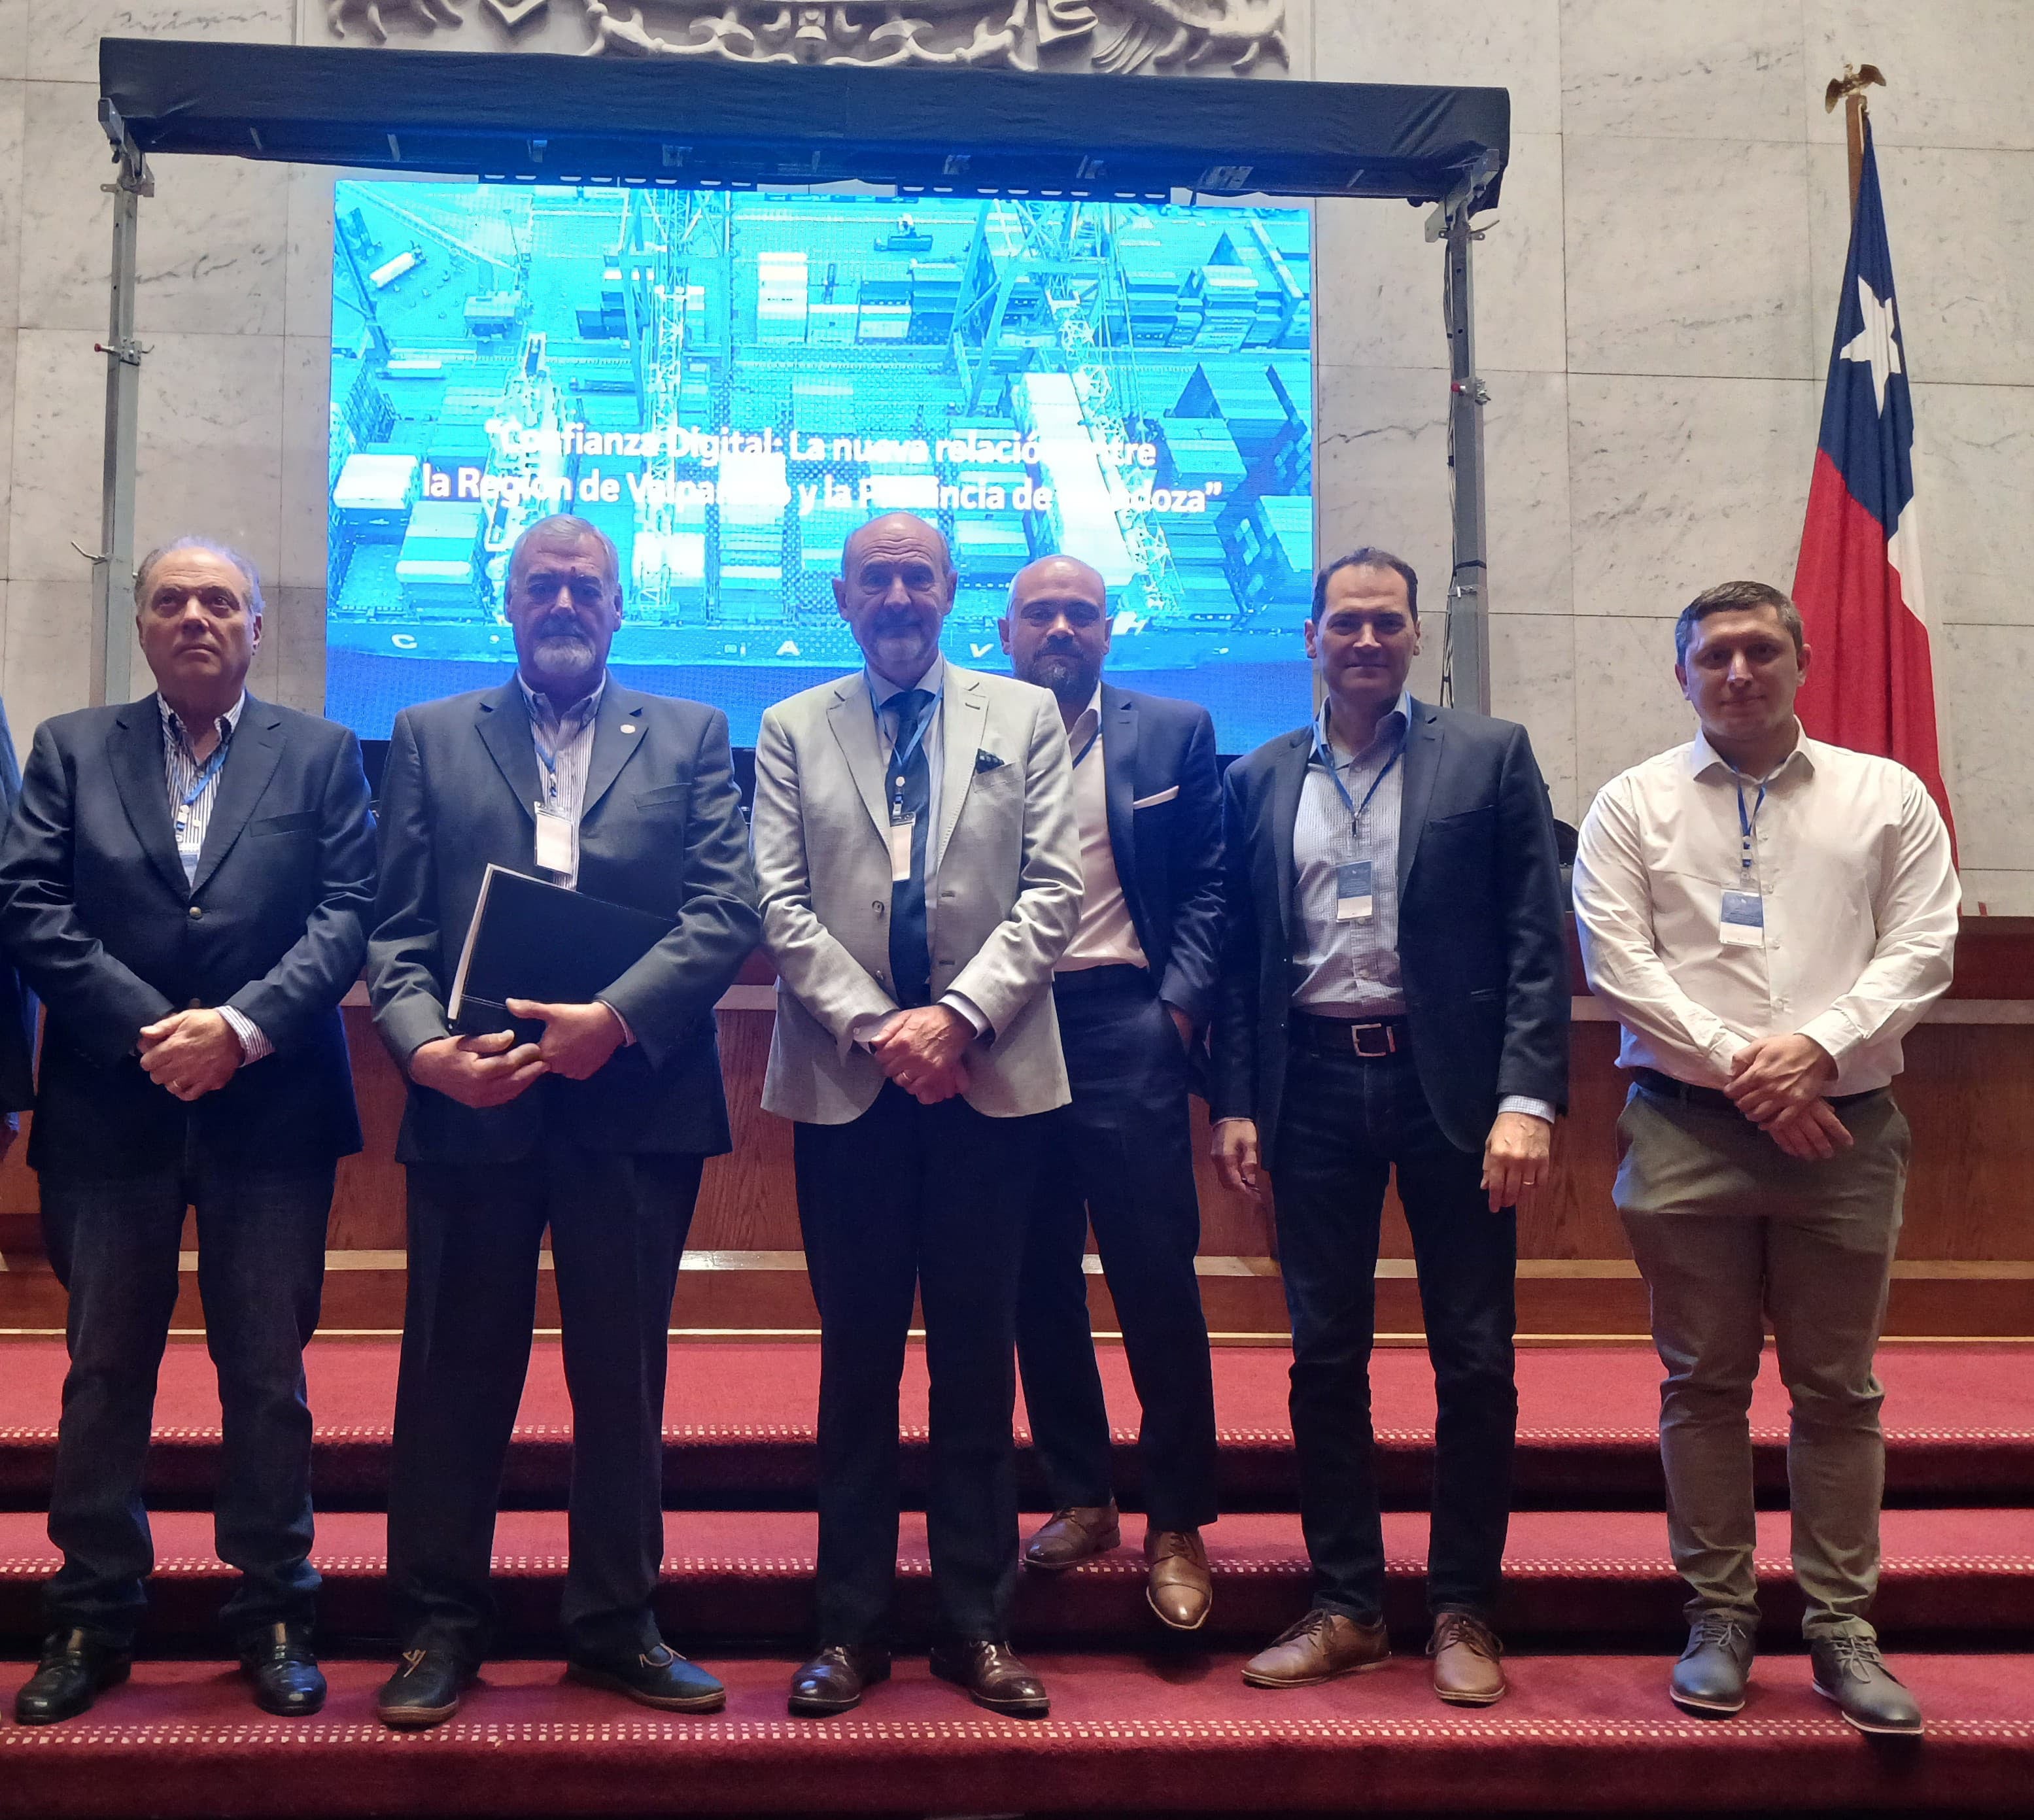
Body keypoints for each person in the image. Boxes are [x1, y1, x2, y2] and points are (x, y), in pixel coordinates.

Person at [366, 514, 760, 1728]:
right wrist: (425, 1048)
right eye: (542, 585)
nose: (563, 603)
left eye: (585, 586)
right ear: (510, 602)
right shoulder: (433, 736)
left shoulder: (690, 734)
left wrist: (615, 1019)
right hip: (475, 1096)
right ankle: (439, 1626)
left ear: (619, 606)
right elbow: (395, 933)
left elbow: (724, 906)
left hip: (631, 1101)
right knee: (451, 1373)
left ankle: (616, 1622)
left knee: (621, 1376)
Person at [0, 539, 376, 1724]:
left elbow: (349, 910)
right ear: (142, 624)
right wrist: (163, 1031)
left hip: (274, 1113)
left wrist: (245, 1030)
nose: (197, 618)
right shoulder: (71, 748)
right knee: (106, 1372)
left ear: (257, 628)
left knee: (266, 1376)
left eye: (222, 601)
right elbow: (28, 904)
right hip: (114, 1108)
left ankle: (273, 1610)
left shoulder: (317, 756)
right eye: (173, 601)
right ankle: (91, 1614)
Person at [1572, 580, 1957, 1736]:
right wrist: (1753, 1062)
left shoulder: (1884, 795)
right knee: (1703, 1384)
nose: (1736, 672)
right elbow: (1618, 959)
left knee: (1838, 1390)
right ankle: (1719, 1616)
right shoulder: (1631, 803)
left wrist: (1817, 1048)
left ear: (1802, 662)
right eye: (1714, 656)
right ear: (1679, 675)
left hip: (1843, 1132)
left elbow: (1924, 941)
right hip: (1686, 1127)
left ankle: (1841, 1625)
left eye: (1758, 651)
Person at [1210, 548, 1567, 1707]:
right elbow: (1241, 961)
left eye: (1386, 623)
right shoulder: (1258, 774)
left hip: (1450, 1091)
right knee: (1324, 1356)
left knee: (1473, 1356)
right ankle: (1349, 1605)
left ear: (1417, 638)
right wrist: (1233, 1102)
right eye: (1344, 623)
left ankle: (1463, 1606)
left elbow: (1530, 937)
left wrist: (1525, 1098)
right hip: (1309, 1085)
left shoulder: (1487, 754)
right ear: (1308, 637)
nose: (1365, 641)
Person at [752, 512, 1081, 1719]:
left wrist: (955, 1019)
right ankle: (849, 1630)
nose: (898, 595)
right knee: (855, 1366)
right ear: (842, 597)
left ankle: (974, 1626)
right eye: (875, 578)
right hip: (850, 1088)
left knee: (975, 1365)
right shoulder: (793, 726)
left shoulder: (1023, 716)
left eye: (918, 577)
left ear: (951, 592)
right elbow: (777, 903)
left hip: (986, 1081)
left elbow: (1054, 891)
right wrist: (880, 1028)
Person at [999, 555, 1224, 1630]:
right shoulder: (974, 727)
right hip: (1004, 1024)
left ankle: (1175, 1521)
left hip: (1124, 1021)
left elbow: (1213, 886)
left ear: (1107, 630)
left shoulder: (1171, 729)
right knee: (1031, 1275)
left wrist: (1173, 1013)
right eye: (1039, 613)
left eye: (1078, 614)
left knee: (1152, 1276)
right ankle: (1080, 1494)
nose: (1059, 628)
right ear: (1006, 631)